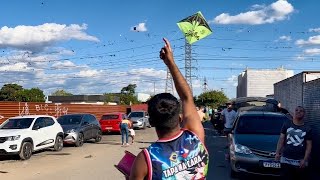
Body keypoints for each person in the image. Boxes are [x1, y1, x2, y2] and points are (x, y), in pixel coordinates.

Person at [130, 38, 209, 180]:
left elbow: (186, 98)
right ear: (179, 118)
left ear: (152, 122)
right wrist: (170, 62)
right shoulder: (195, 137)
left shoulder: (145, 159)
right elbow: (187, 98)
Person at [275, 106, 312, 179]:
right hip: (286, 159)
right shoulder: (286, 124)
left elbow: (309, 146)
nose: (298, 111)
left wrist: (305, 160)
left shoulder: (307, 128)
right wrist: (277, 153)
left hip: (299, 161)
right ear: (293, 112)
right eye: (296, 110)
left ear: (304, 114)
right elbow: (281, 139)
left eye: (301, 111)